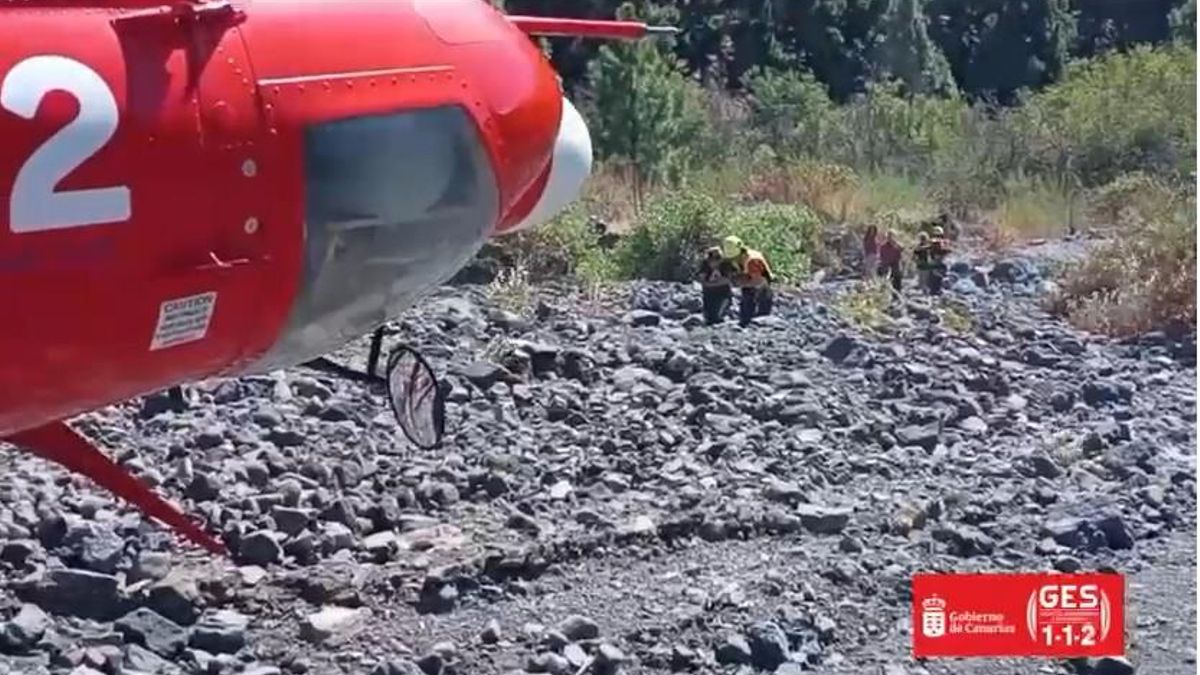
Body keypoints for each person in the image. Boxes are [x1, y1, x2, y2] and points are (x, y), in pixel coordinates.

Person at [721, 235, 774, 327]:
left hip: (761, 291)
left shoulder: (753, 260)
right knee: (745, 318)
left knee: (760, 321)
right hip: (749, 288)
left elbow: (758, 281)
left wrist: (738, 284)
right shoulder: (740, 258)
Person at [696, 245, 735, 325]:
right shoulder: (705, 265)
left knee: (719, 316)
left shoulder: (726, 264)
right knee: (709, 317)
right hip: (709, 294)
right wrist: (716, 283)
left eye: (718, 258)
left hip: (723, 293)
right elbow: (703, 281)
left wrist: (711, 284)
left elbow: (729, 280)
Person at [878, 230, 904, 295]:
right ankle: (884, 292)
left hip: (895, 263)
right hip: (886, 264)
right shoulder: (883, 246)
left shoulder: (897, 245)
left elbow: (901, 251)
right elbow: (882, 255)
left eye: (892, 236)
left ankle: (897, 291)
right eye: (889, 236)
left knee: (897, 275)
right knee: (885, 277)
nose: (890, 238)